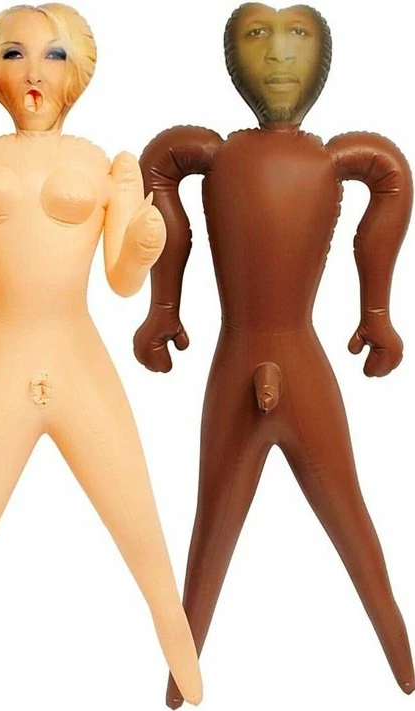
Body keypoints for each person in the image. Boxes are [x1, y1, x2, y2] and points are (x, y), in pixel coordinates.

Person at [0, 4, 202, 703]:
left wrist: (144, 245)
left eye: (53, 55)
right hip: (3, 359)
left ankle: (179, 644)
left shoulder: (105, 166)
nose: (33, 72)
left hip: (80, 359)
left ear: (77, 71)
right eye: (15, 54)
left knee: (142, 530)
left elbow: (120, 280)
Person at [133, 3, 413, 707]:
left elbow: (393, 177)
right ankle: (180, 679)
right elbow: (156, 169)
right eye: (257, 36)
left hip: (294, 360)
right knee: (210, 539)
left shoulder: (335, 158)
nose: (280, 56)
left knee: (353, 526)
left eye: (298, 38)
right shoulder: (210, 153)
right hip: (242, 361)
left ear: (323, 59)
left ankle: (405, 664)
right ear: (233, 57)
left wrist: (377, 312)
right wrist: (163, 306)